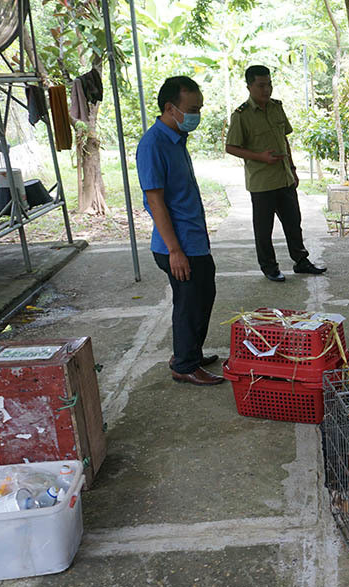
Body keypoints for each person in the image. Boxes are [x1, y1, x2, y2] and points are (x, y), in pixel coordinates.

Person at [136, 76, 223, 386]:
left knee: (201, 297)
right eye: (191, 109)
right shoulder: (153, 143)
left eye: (199, 108)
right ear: (170, 108)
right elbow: (155, 201)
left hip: (192, 241)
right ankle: (185, 365)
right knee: (190, 304)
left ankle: (189, 353)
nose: (195, 115)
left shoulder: (175, 138)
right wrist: (175, 251)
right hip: (178, 245)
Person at [225, 65, 326, 282]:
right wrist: (260, 156)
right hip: (261, 182)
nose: (266, 89)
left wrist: (292, 168)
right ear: (249, 86)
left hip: (284, 177)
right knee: (264, 230)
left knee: (293, 223)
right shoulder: (241, 115)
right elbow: (231, 147)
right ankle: (269, 267)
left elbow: (284, 139)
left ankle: (301, 261)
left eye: (269, 84)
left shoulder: (276, 107)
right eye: (261, 85)